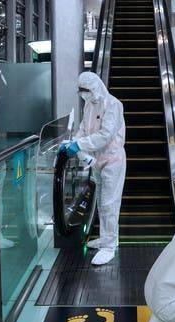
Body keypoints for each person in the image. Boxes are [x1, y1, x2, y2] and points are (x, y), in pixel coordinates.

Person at [61, 72, 126, 265]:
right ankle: (106, 238)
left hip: (112, 159)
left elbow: (105, 135)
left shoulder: (113, 104)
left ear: (95, 87)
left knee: (109, 203)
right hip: (96, 159)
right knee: (100, 201)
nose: (83, 94)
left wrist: (80, 145)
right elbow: (83, 128)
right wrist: (73, 141)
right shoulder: (89, 104)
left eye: (86, 90)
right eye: (81, 90)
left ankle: (109, 246)